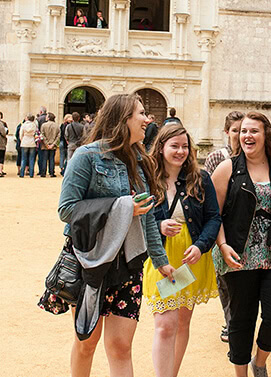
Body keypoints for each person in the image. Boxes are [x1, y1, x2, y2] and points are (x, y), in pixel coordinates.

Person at [58, 93, 175, 377]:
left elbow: (146, 216)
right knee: (87, 342)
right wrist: (121, 208)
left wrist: (161, 261)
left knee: (121, 347)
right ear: (123, 119)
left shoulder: (140, 160)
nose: (148, 119)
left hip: (129, 263)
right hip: (91, 261)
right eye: (141, 113)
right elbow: (67, 209)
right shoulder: (87, 156)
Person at [211, 111, 271, 377]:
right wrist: (222, 245)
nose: (247, 136)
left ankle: (260, 360)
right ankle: (241, 373)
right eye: (243, 131)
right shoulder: (227, 168)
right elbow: (213, 214)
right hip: (238, 254)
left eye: (253, 131)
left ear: (266, 136)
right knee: (241, 320)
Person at [143, 123, 221, 377]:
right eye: (174, 146)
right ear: (161, 147)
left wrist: (201, 247)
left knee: (183, 322)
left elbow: (213, 218)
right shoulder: (146, 178)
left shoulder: (201, 178)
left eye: (185, 146)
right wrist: (158, 224)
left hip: (190, 256)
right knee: (165, 325)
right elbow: (135, 220)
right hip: (161, 255)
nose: (180, 151)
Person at [204, 110, 244, 343]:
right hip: (221, 223)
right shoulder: (216, 158)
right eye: (235, 130)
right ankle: (231, 322)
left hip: (244, 225)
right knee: (224, 279)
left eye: (243, 130)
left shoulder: (254, 155)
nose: (239, 135)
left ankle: (237, 320)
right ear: (227, 132)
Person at [40, 112, 60, 177]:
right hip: (53, 145)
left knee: (44, 159)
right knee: (52, 159)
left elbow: (42, 135)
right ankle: (51, 172)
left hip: (45, 145)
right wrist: (53, 144)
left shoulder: (43, 125)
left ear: (48, 118)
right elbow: (58, 136)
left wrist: (46, 144)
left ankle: (43, 173)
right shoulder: (57, 126)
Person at [0, 111, 7, 177]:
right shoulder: (1, 124)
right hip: (1, 142)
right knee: (1, 157)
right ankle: (0, 171)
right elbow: (4, 133)